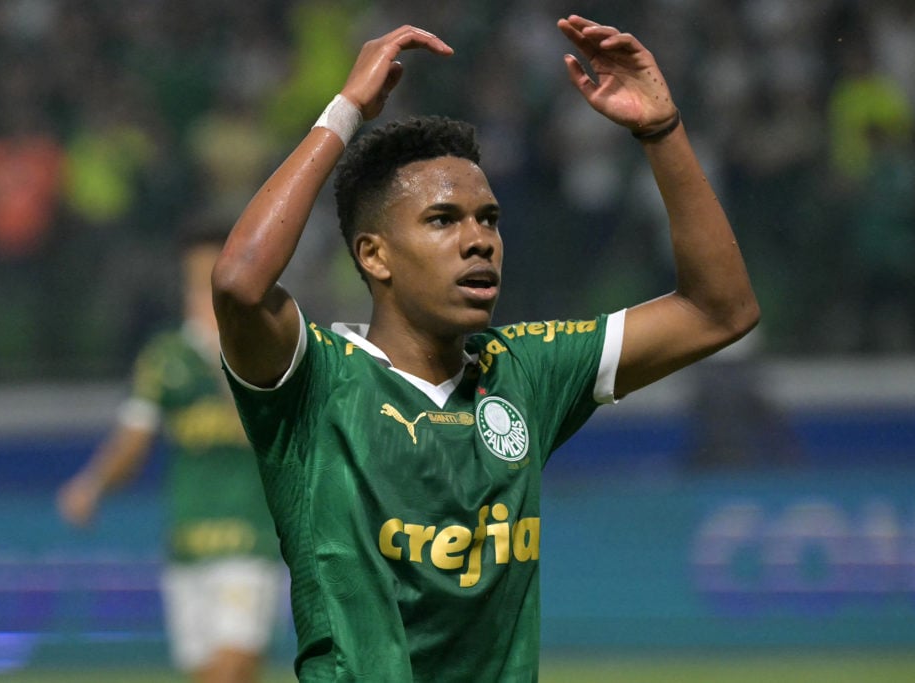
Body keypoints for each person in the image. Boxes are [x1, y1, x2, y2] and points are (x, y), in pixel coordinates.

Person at [211, 15, 759, 682]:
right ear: (374, 255)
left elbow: (719, 310)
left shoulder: (525, 369)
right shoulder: (314, 380)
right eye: (443, 219)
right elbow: (240, 283)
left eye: (489, 219)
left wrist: (661, 130)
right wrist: (346, 109)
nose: (479, 240)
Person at [57, 220, 285, 683]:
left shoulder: (267, 345)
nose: (201, 286)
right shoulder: (165, 357)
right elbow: (133, 442)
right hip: (187, 545)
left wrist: (227, 345)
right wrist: (94, 484)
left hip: (251, 541)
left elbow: (268, 431)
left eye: (212, 274)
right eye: (194, 275)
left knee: (231, 669)